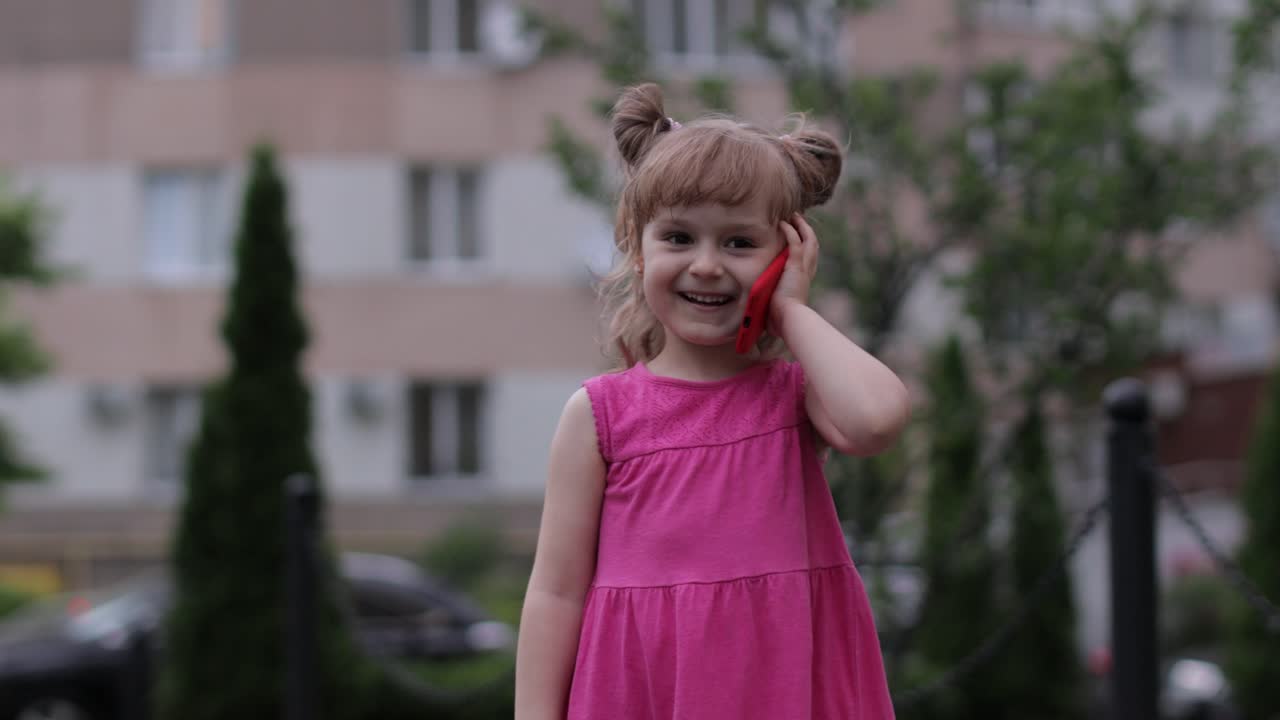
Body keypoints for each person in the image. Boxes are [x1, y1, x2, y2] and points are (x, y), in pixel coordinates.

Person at [514, 82, 911, 720]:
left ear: (787, 255)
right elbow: (556, 593)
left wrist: (790, 310)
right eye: (678, 238)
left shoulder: (794, 393)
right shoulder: (600, 416)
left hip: (781, 688)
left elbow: (876, 420)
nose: (706, 265)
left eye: (739, 243)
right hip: (643, 691)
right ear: (637, 251)